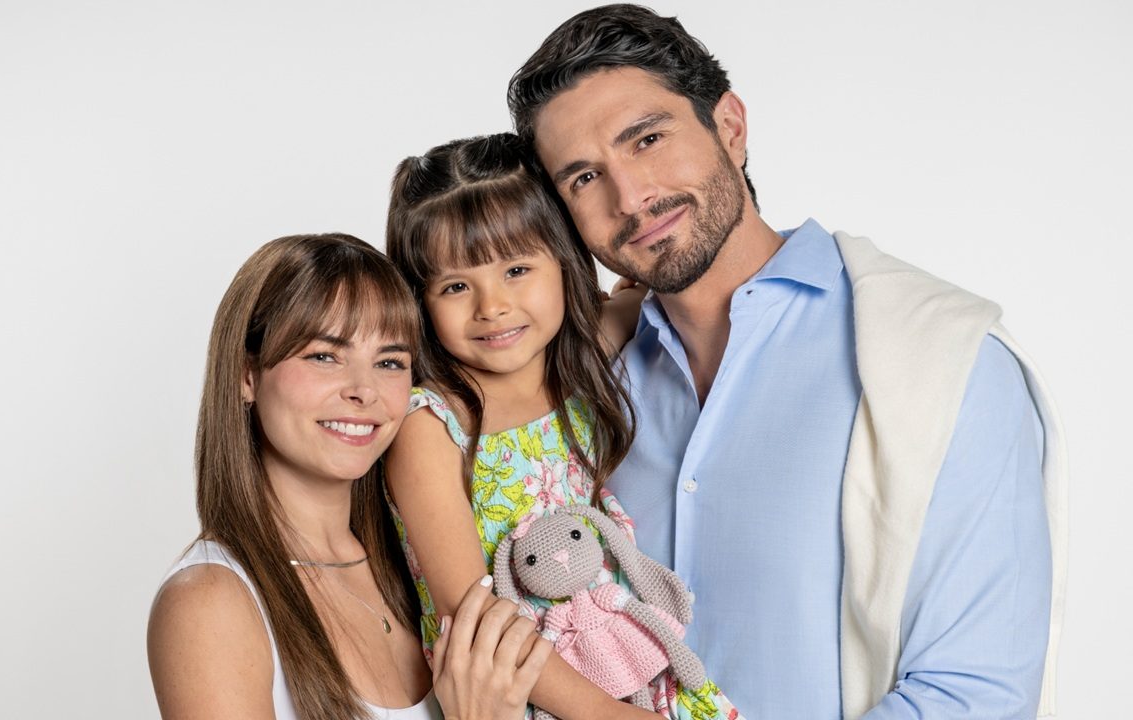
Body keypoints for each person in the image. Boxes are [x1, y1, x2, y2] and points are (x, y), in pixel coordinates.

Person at [505, 5, 1066, 720]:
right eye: (584, 178)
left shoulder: (944, 363)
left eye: (647, 139)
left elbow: (972, 697)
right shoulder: (580, 389)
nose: (631, 198)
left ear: (730, 128)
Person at [384, 135, 739, 720]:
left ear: (564, 261)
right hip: (521, 692)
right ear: (420, 303)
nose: (492, 306)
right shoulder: (432, 426)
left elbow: (646, 286)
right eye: (455, 286)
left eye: (517, 269)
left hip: (628, 658)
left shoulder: (579, 362)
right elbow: (475, 616)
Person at [147, 233, 552, 720]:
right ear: (246, 374)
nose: (364, 390)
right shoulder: (209, 604)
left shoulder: (418, 563)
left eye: (389, 362)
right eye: (324, 356)